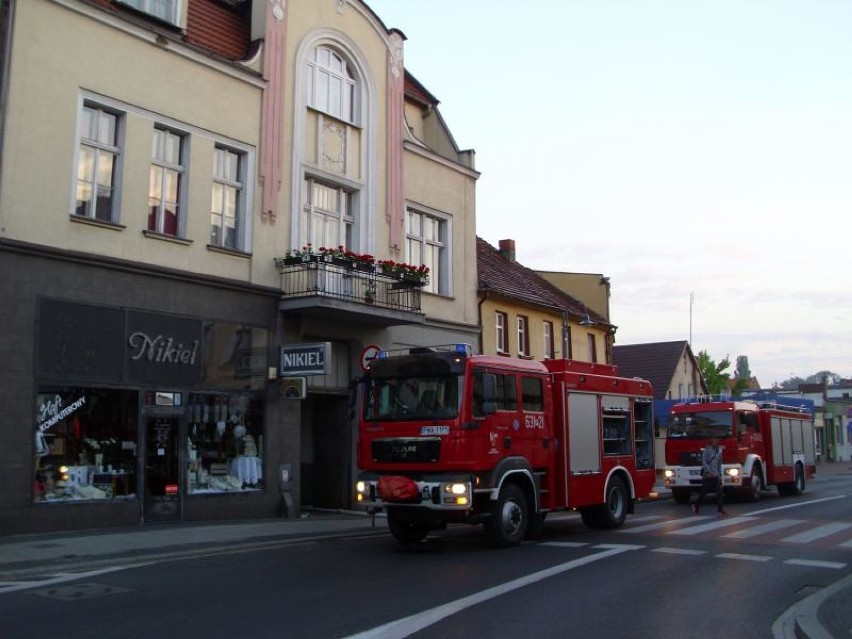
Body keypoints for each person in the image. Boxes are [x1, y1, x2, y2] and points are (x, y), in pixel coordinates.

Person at [692, 435, 728, 517]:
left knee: (719, 492)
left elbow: (719, 464)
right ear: (711, 440)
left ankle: (720, 510)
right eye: (715, 439)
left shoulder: (718, 451)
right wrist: (709, 472)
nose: (717, 441)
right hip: (707, 475)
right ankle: (696, 505)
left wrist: (719, 475)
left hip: (715, 475)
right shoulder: (707, 450)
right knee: (704, 492)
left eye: (718, 440)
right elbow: (704, 462)